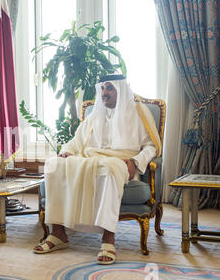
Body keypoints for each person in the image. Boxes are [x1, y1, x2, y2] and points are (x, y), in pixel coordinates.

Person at [33, 74, 161, 265]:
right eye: (102, 88)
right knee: (54, 165)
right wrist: (66, 152)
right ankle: (58, 234)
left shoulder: (137, 112)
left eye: (109, 88)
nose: (104, 93)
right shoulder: (96, 114)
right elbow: (76, 141)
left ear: (120, 89)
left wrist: (136, 161)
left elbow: (151, 146)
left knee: (108, 170)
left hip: (122, 161)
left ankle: (108, 239)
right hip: (91, 159)